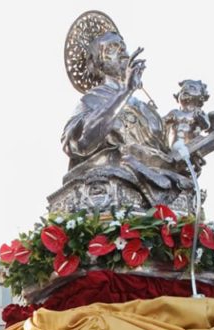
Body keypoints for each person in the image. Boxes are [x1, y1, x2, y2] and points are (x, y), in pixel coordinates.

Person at [62, 29, 190, 203]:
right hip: (119, 179)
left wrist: (188, 151)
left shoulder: (145, 108)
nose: (122, 52)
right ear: (97, 62)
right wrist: (125, 92)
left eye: (123, 47)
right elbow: (79, 143)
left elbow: (164, 152)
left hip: (157, 175)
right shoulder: (91, 100)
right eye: (112, 48)